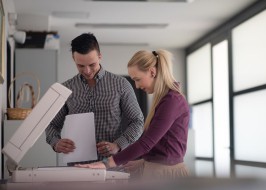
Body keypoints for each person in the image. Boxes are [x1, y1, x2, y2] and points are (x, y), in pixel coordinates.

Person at [76, 49, 190, 179]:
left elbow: (146, 143)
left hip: (166, 175)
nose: (136, 86)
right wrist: (143, 162)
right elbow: (164, 144)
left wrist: (106, 163)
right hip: (157, 171)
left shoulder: (172, 101)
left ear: (152, 72)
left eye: (137, 79)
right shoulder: (164, 100)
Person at [45, 33, 144, 165]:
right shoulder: (66, 89)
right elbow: (51, 124)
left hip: (111, 167)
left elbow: (137, 121)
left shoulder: (121, 84)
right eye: (80, 65)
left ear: (100, 57)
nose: (87, 71)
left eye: (92, 64)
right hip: (77, 168)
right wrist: (56, 143)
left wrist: (118, 145)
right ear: (73, 59)